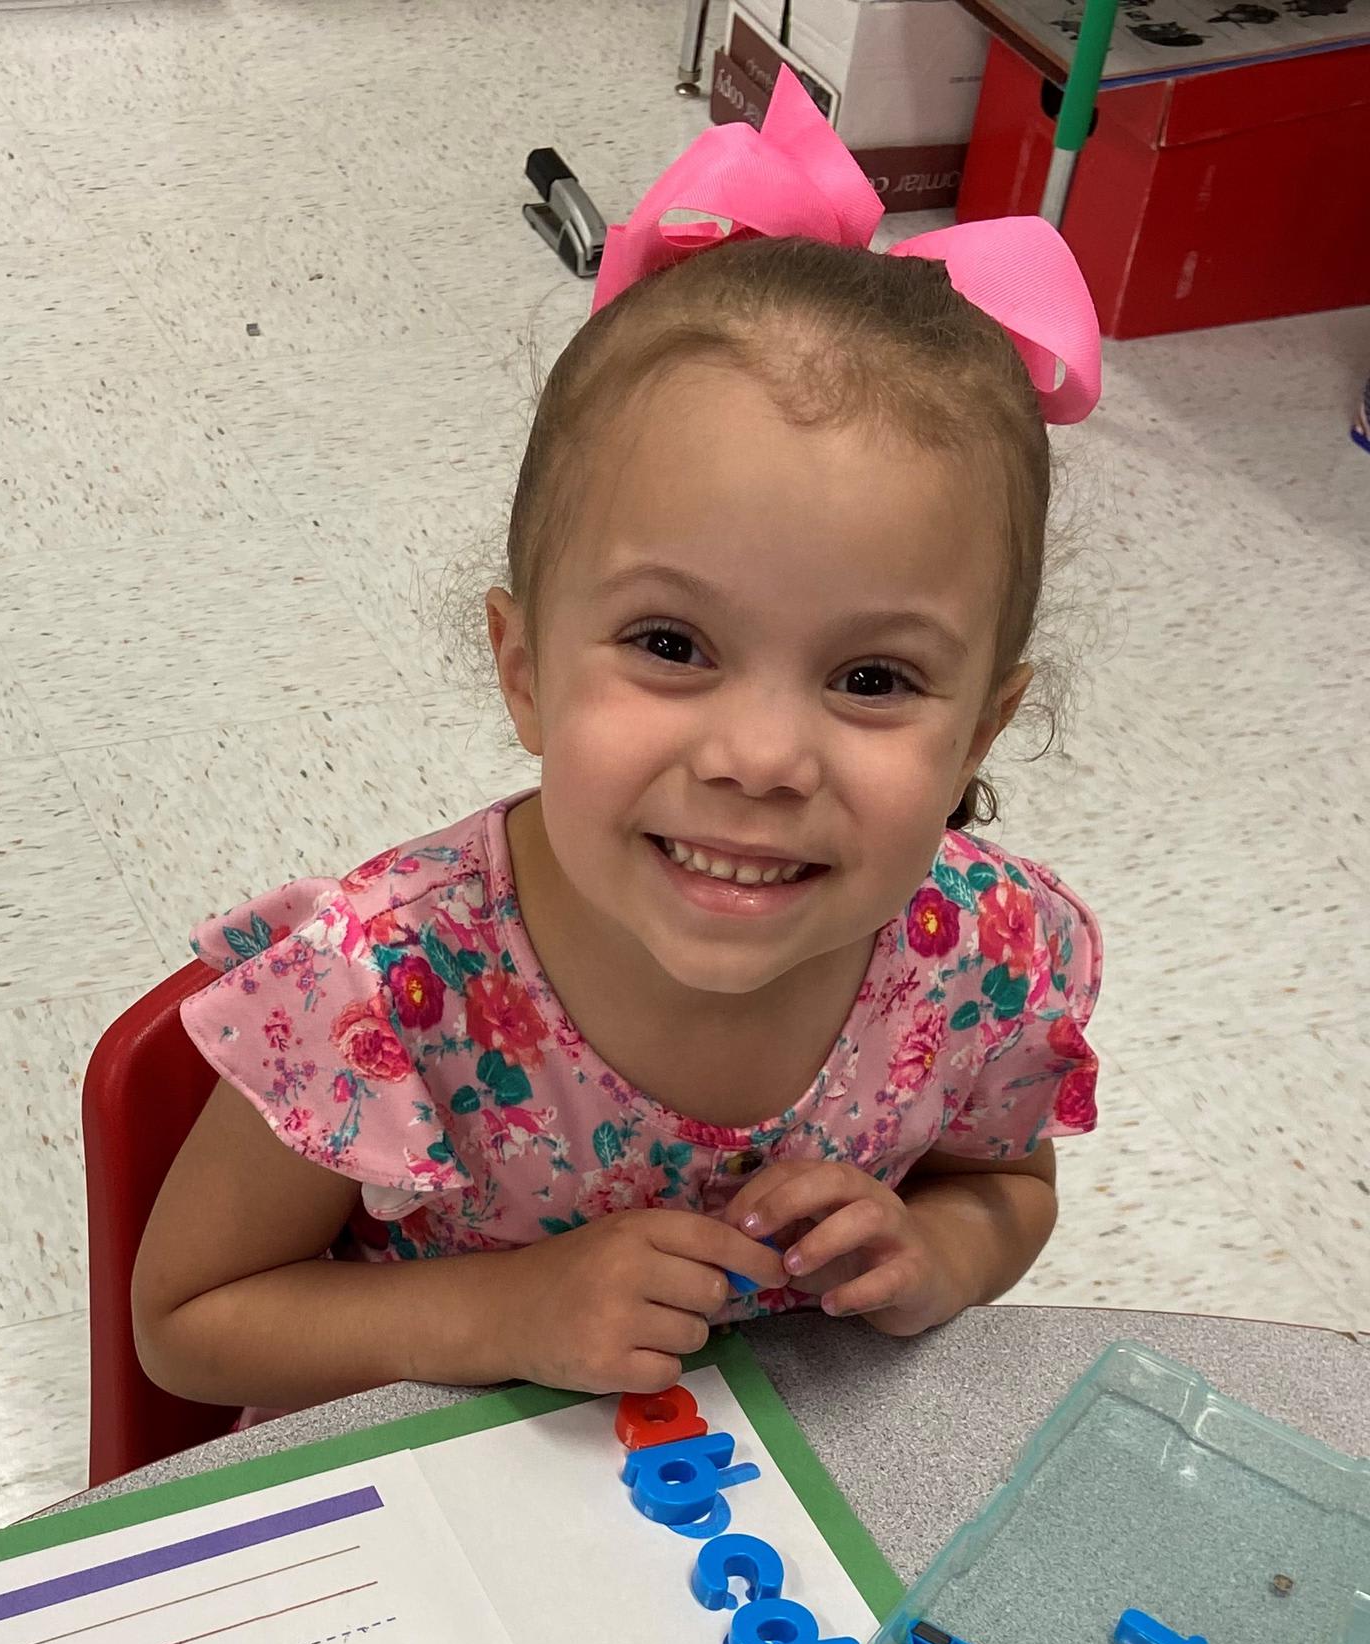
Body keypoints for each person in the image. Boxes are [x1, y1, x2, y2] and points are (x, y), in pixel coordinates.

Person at [133, 74, 1104, 1416]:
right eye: (670, 643)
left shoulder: (983, 957)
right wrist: (508, 1310)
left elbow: (1005, 1188)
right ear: (526, 671)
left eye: (873, 678)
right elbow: (188, 1324)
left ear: (980, 729)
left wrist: (941, 1251)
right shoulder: (387, 982)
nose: (762, 757)